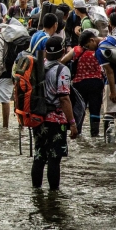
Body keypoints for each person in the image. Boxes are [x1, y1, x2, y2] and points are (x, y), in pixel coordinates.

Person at [32, 36, 79, 190]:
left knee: (39, 156)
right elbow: (64, 98)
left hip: (38, 118)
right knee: (54, 158)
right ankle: (53, 195)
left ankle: (36, 192)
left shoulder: (39, 66)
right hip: (56, 121)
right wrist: (72, 123)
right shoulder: (62, 69)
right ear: (62, 51)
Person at [62, 29, 104, 136]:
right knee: (95, 109)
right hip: (96, 83)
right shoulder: (100, 49)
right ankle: (95, 134)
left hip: (79, 84)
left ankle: (77, 131)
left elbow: (63, 61)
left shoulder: (76, 50)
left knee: (80, 108)